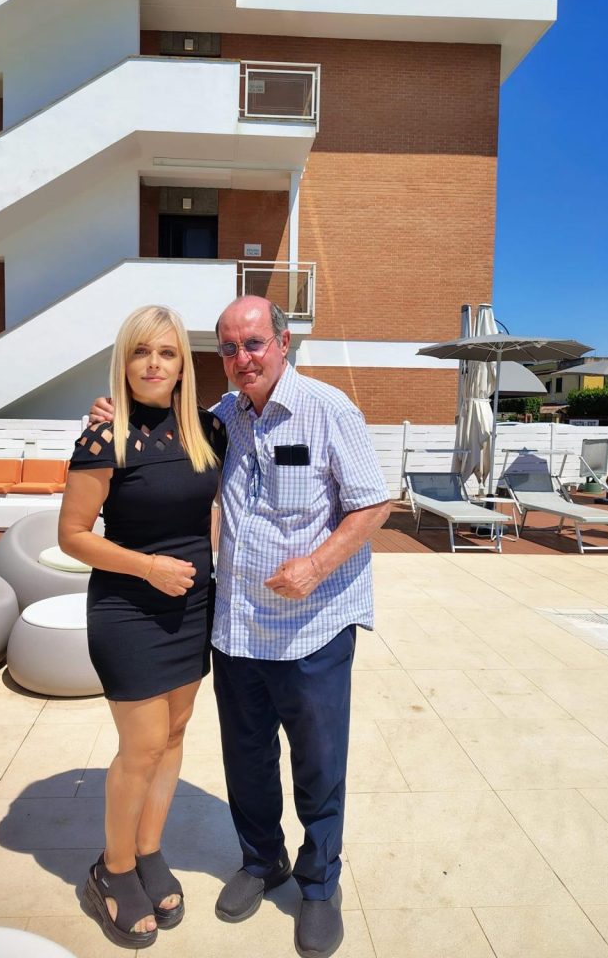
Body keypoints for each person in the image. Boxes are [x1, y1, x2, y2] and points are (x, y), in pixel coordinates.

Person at [91, 296, 390, 958]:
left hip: (312, 627)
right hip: (238, 628)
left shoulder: (328, 410)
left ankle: (319, 885)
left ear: (283, 343)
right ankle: (262, 860)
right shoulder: (222, 417)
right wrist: (114, 412)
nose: (241, 358)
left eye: (253, 343)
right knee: (247, 759)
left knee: (318, 764)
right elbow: (159, 431)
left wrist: (316, 564)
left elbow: (373, 504)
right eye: (228, 348)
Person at [60, 304, 226, 949]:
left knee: (175, 734)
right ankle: (113, 867)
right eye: (140, 352)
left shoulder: (209, 430)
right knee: (143, 745)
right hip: (128, 609)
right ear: (123, 362)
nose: (153, 364)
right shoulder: (103, 438)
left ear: (184, 363)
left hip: (192, 607)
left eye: (166, 352)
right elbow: (73, 535)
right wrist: (147, 567)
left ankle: (149, 850)